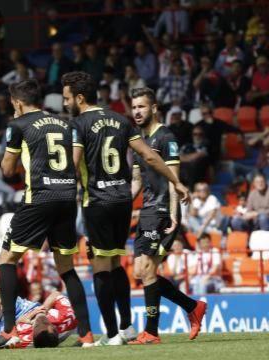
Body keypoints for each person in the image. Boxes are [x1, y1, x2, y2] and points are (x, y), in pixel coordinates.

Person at [62, 71, 189, 346]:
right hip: (122, 201)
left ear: (80, 98)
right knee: (117, 262)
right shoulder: (122, 120)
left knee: (100, 268)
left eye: (67, 98)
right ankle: (127, 327)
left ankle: (110, 334)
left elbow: (73, 165)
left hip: (96, 202)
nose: (65, 104)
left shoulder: (78, 124)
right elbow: (148, 155)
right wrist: (176, 181)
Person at [0, 79, 93, 348]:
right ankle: (87, 335)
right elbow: (74, 161)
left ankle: (9, 331)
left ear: (17, 102)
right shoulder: (65, 123)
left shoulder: (18, 125)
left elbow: (7, 170)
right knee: (67, 268)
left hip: (39, 197)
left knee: (7, 258)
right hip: (66, 197)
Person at [128, 87, 206, 345]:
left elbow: (174, 179)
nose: (136, 111)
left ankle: (151, 332)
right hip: (147, 209)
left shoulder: (166, 137)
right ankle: (192, 306)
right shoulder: (139, 140)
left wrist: (173, 214)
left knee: (148, 269)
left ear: (154, 108)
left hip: (163, 210)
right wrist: (120, 204)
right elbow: (137, 181)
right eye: (134, 106)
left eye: (141, 106)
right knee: (141, 271)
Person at [0, 288, 78, 349]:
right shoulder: (67, 318)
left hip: (12, 329)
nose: (40, 319)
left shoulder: (27, 339)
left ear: (33, 332)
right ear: (54, 326)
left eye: (36, 325)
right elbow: (56, 294)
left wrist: (19, 322)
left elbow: (8, 340)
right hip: (21, 307)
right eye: (46, 321)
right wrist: (44, 309)